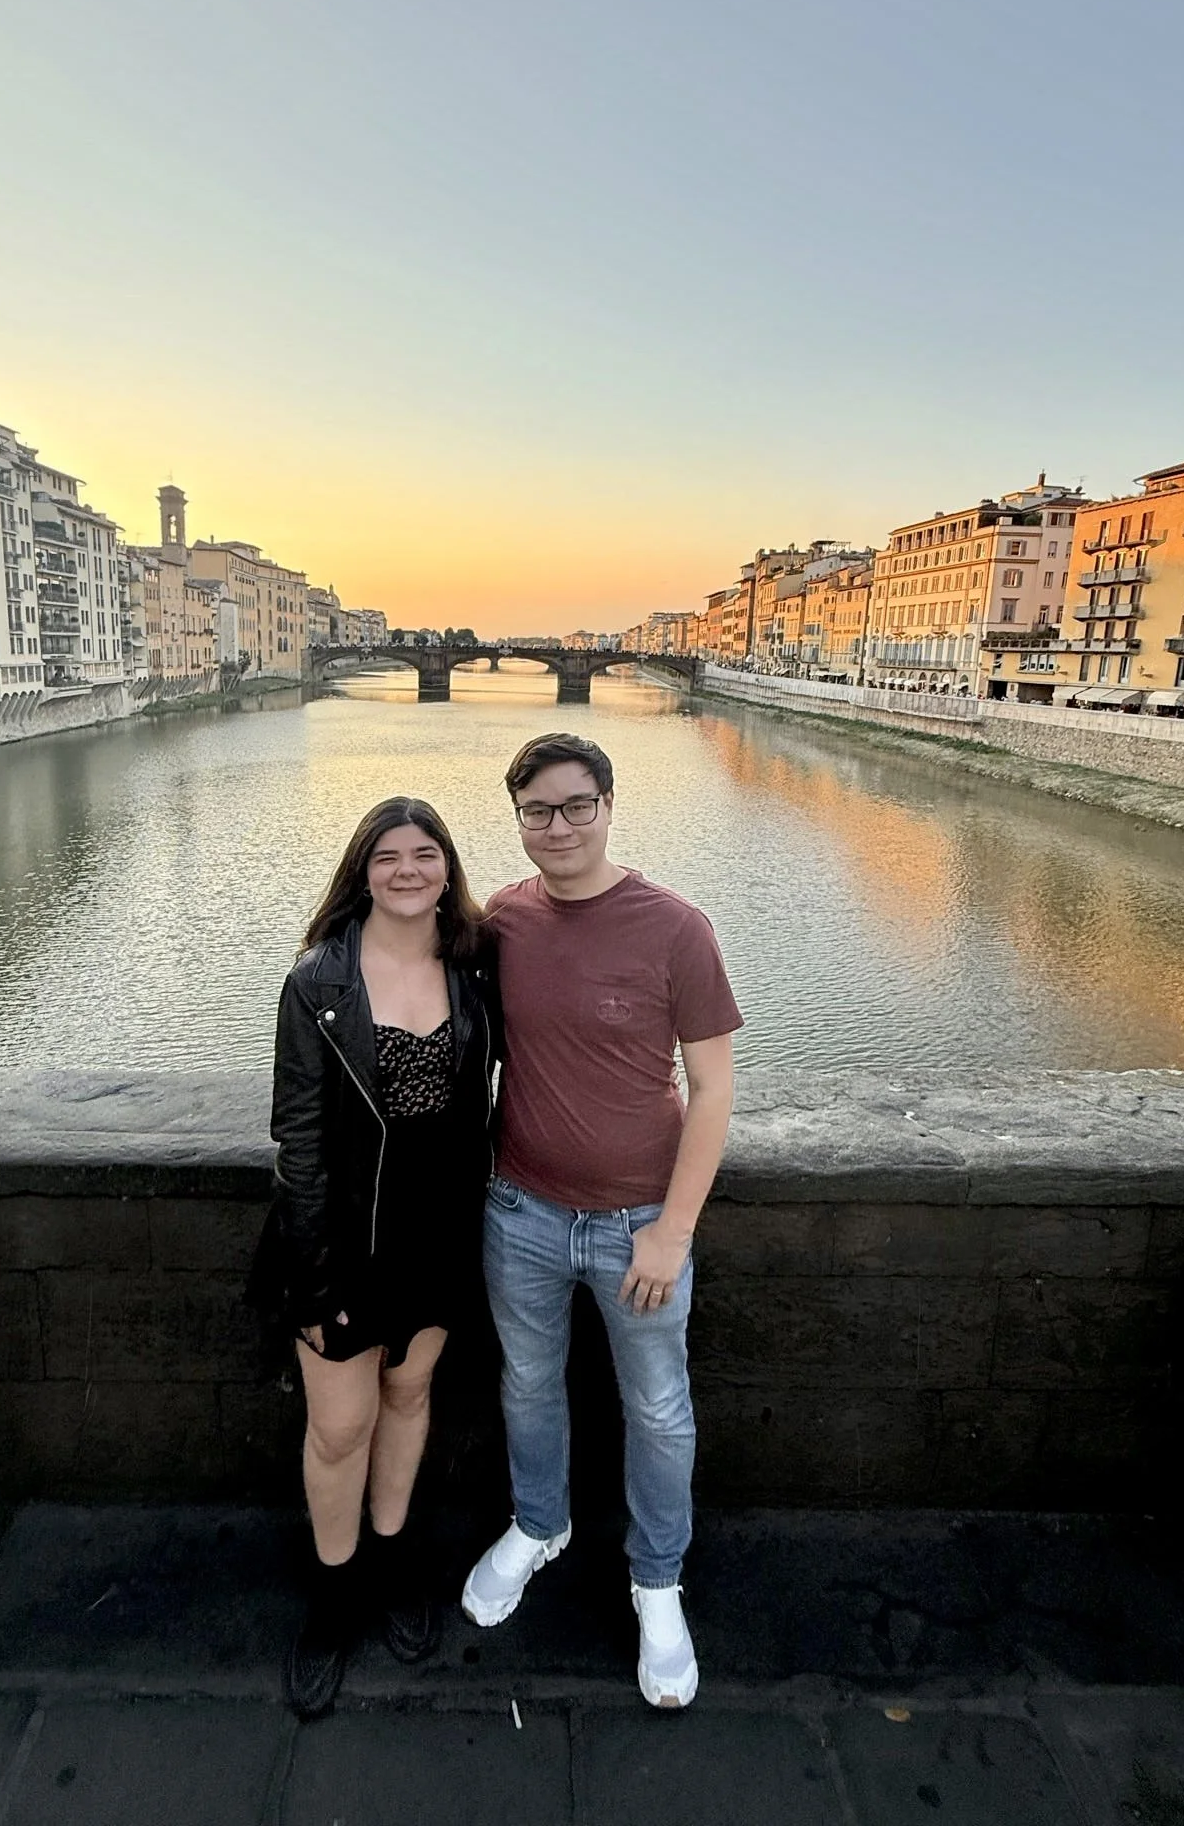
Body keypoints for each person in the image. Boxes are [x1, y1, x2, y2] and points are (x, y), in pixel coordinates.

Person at [461, 732, 741, 1710]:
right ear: (520, 821)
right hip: (520, 1207)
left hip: (640, 1222)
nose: (559, 826)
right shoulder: (502, 920)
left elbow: (712, 1091)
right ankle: (541, 1525)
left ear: (611, 806)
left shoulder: (677, 928)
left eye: (578, 805)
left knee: (659, 1409)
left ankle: (656, 1581)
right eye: (538, 810)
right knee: (529, 1384)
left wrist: (671, 1233)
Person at [265, 795, 496, 1719]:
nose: (408, 869)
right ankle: (333, 1597)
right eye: (388, 856)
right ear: (362, 871)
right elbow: (299, 1141)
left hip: (437, 1237)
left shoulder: (475, 968)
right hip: (344, 1242)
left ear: (447, 867)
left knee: (409, 1396)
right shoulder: (318, 983)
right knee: (339, 1427)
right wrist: (317, 1274)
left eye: (425, 853)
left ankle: (392, 1558)